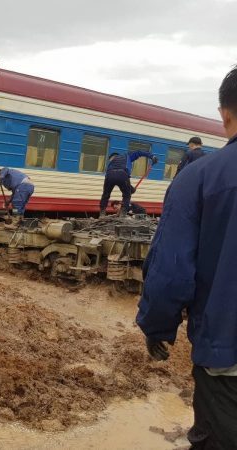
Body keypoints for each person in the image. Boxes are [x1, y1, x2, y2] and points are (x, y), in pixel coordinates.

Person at [136, 66, 237, 448]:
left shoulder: (199, 177)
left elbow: (171, 272)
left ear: (224, 114)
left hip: (227, 360)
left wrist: (157, 327)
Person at [99, 151, 158, 218]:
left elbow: (115, 175)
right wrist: (152, 156)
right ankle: (122, 214)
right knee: (126, 195)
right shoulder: (127, 155)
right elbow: (139, 152)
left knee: (105, 195)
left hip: (109, 175)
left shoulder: (110, 164)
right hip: (122, 174)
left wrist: (131, 189)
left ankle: (102, 214)